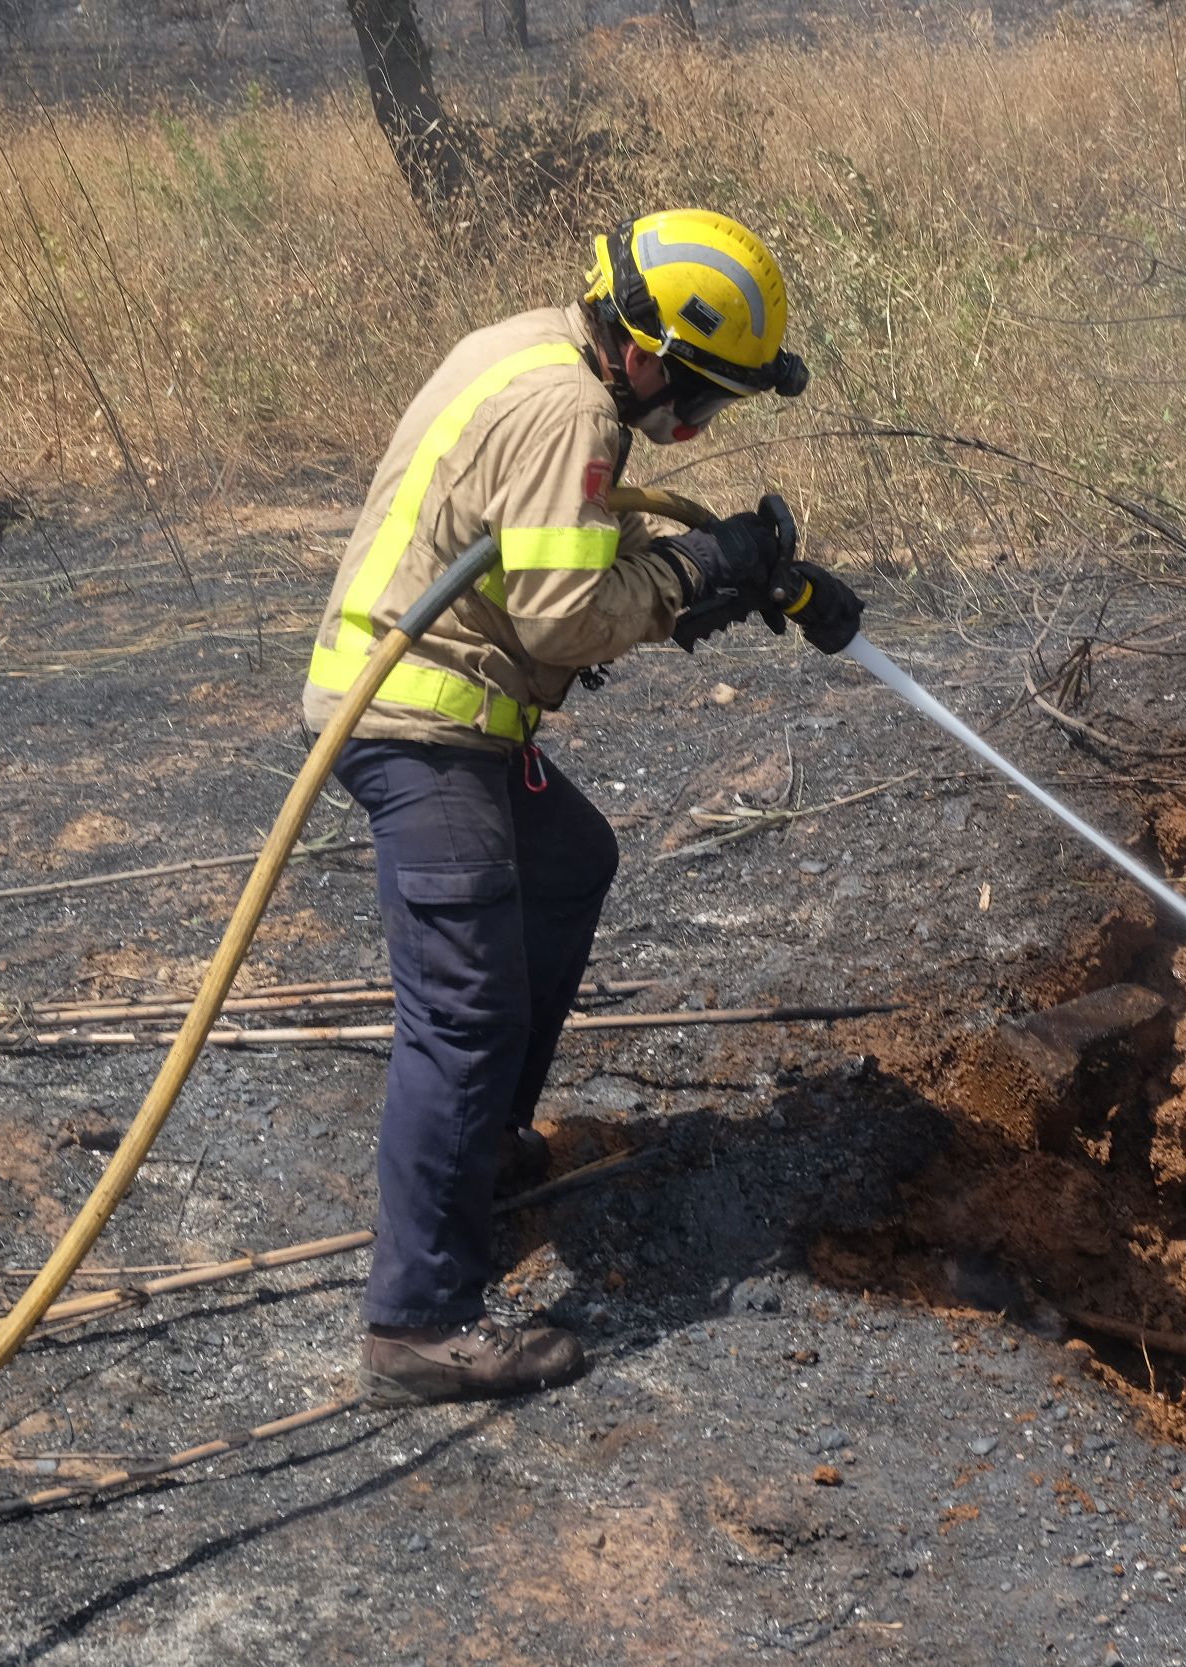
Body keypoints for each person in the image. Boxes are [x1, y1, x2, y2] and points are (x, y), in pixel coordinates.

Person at [300, 209, 862, 1404]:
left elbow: (546, 565)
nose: (698, 426)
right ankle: (416, 1322)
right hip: (416, 720)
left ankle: (483, 1150)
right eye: (700, 396)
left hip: (455, 706)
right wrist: (692, 573)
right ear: (647, 353)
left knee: (570, 860)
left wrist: (741, 578)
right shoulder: (571, 410)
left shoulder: (532, 350)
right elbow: (563, 614)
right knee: (465, 1009)